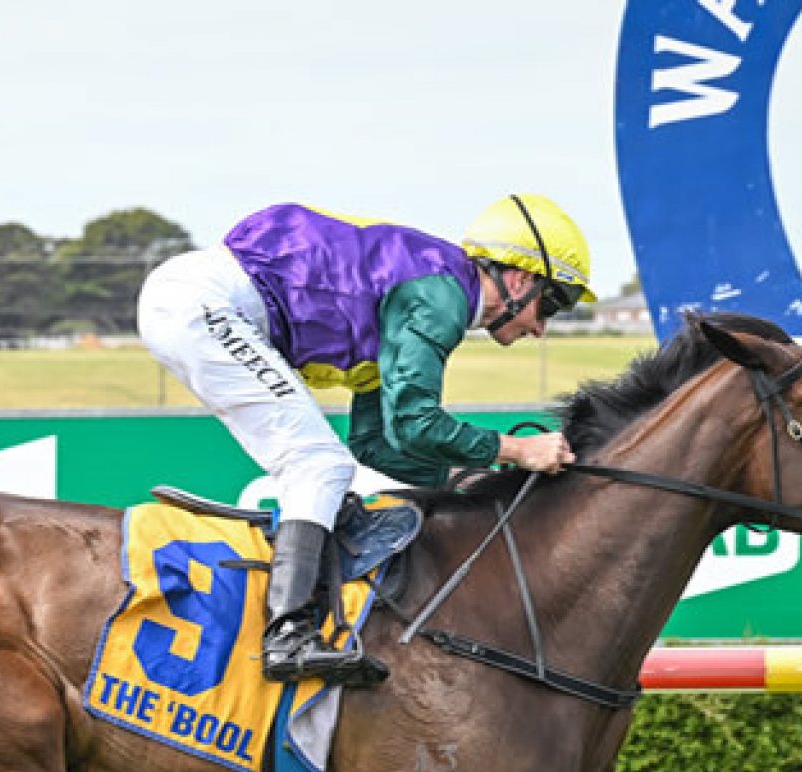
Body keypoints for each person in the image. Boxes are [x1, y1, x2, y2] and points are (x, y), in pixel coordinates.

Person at [137, 194, 595, 685]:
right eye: (550, 304)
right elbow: (418, 423)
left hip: (196, 302)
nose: (542, 328)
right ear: (519, 278)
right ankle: (287, 636)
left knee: (326, 462)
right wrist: (517, 449)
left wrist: (475, 476)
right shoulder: (440, 296)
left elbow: (377, 443)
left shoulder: (424, 288)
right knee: (316, 463)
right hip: (207, 305)